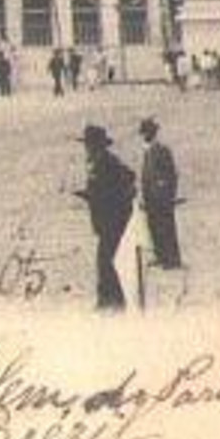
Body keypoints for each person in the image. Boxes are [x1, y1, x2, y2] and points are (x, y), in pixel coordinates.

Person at [74, 125, 136, 312]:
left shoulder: (107, 162)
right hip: (107, 219)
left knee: (106, 260)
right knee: (106, 260)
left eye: (89, 145)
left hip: (113, 219)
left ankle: (112, 301)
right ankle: (110, 299)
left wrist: (98, 195)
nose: (87, 149)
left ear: (97, 146)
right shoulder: (101, 162)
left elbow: (127, 178)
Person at [138, 118, 183, 270]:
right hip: (151, 196)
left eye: (148, 133)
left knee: (166, 227)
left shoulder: (162, 149)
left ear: (153, 133)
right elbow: (146, 176)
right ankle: (161, 256)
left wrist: (168, 191)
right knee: (154, 227)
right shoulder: (148, 150)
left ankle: (172, 259)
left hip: (162, 197)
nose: (146, 136)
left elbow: (172, 174)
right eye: (144, 133)